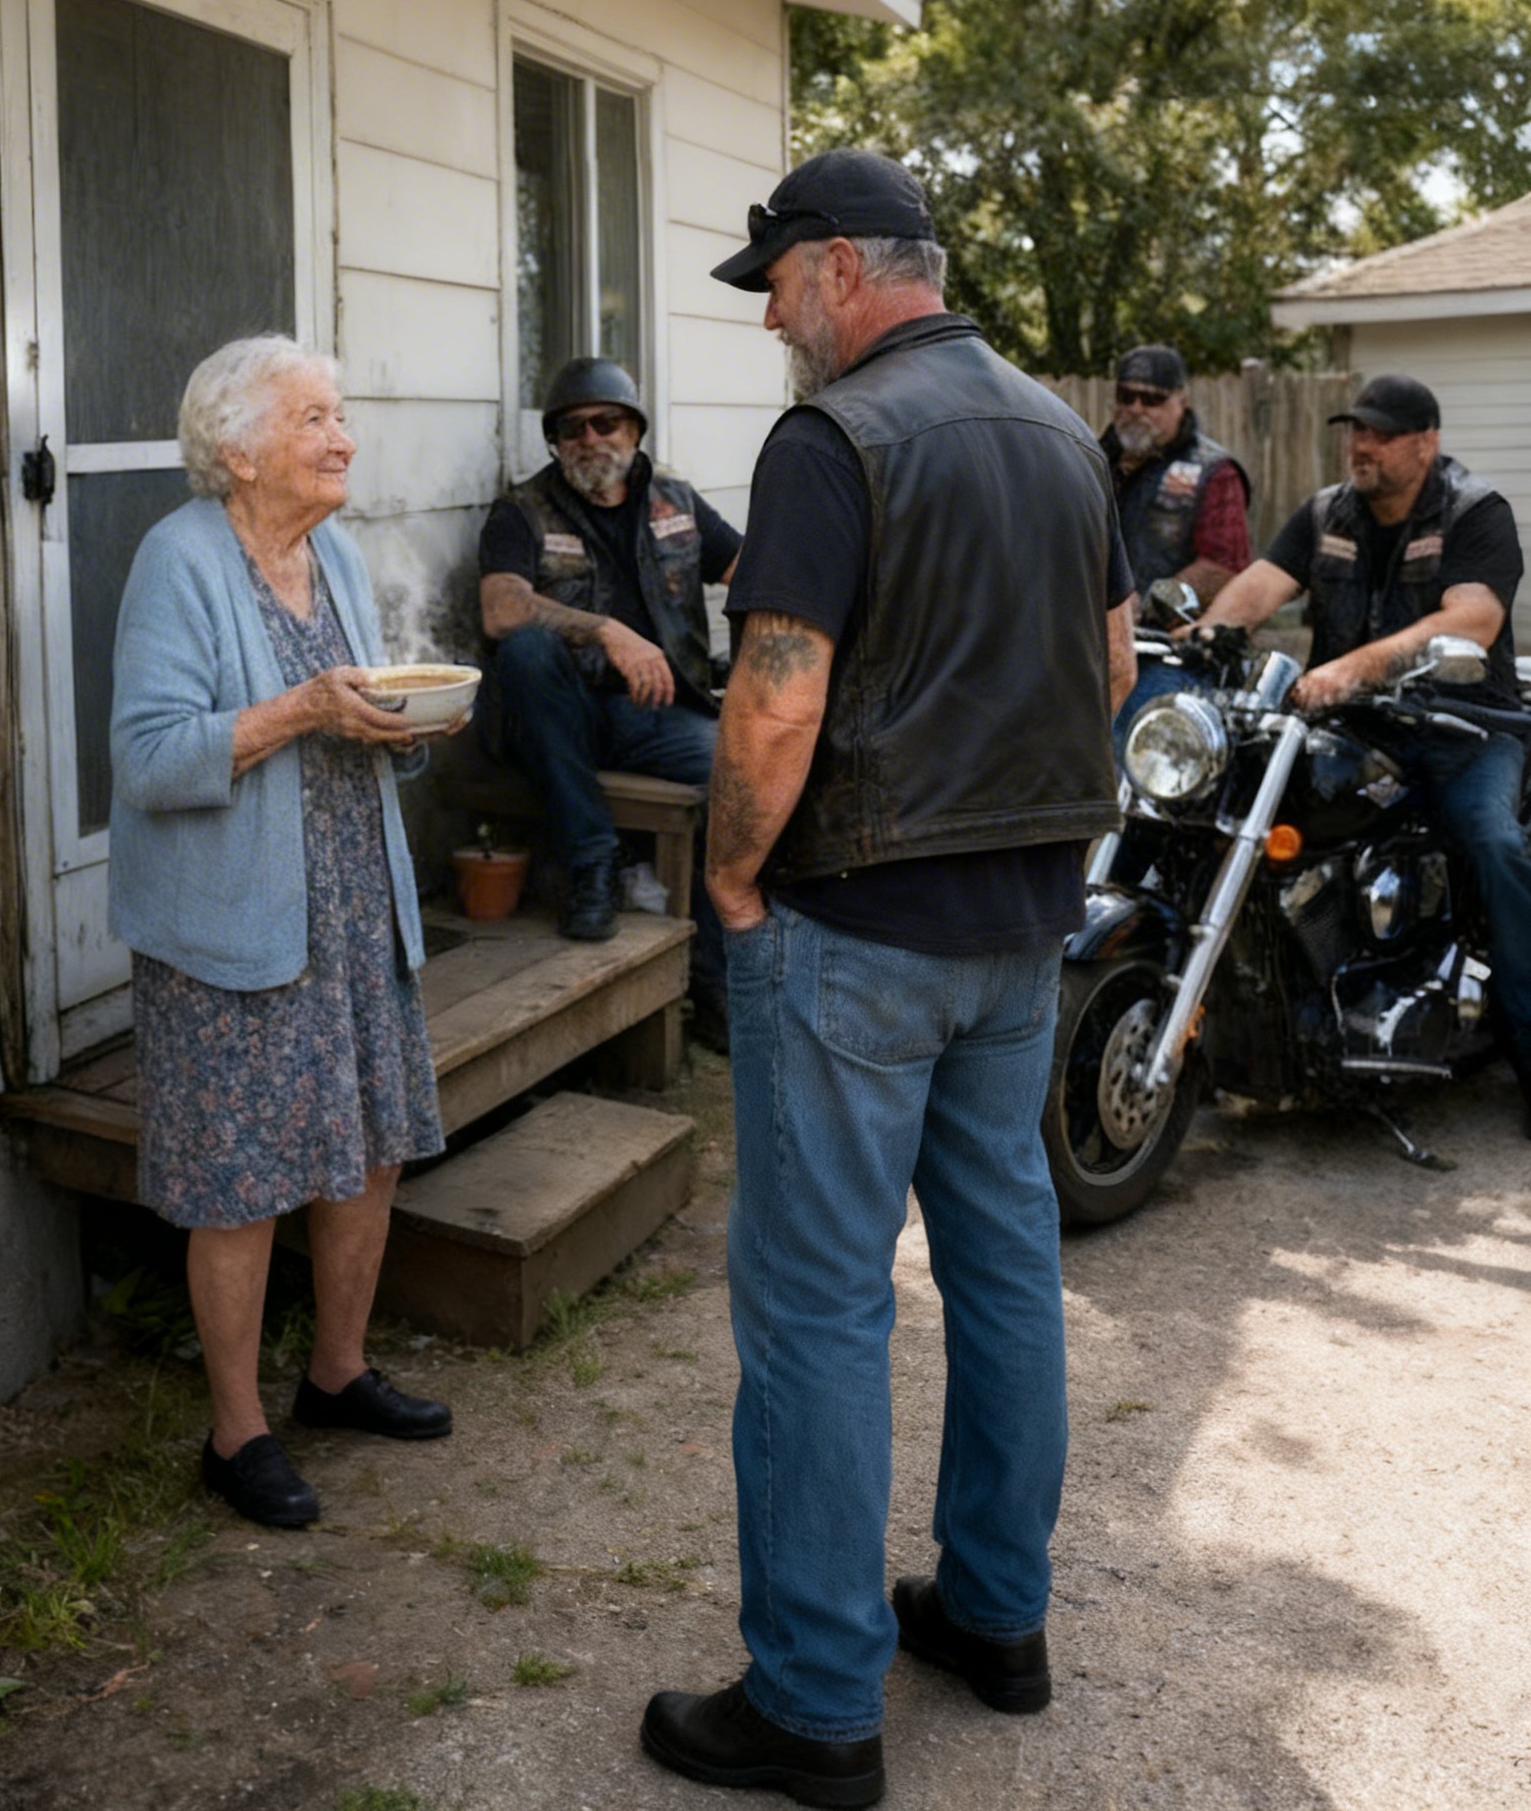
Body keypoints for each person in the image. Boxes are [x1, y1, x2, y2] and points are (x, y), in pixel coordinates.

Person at [640, 150, 1135, 1807]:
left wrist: (729, 876)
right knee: (1001, 1268)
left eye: (777, 283)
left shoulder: (830, 439)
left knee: (817, 1301)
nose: (769, 317)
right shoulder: (1062, 432)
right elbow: (1111, 661)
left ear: (846, 266)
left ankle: (812, 1701)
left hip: (854, 924)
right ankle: (995, 1618)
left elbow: (776, 699)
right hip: (1020, 925)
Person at [109, 335, 456, 1533]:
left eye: (339, 416)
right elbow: (149, 759)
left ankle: (337, 1374)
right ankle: (235, 1433)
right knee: (241, 1181)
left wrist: (403, 726)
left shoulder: (333, 553)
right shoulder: (180, 560)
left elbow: (354, 711)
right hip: (233, 923)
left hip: (354, 902)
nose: (341, 438)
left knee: (371, 1146)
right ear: (240, 449)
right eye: (313, 419)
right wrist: (304, 708)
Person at [1195, 372, 1531, 1133]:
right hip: (1354, 729)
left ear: (1426, 443)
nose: (1362, 446)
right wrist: (1206, 634)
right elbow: (1259, 586)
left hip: (1463, 728)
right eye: (1356, 431)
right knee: (1230, 813)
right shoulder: (1327, 513)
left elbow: (1474, 619)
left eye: (1380, 434)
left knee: (1494, 845)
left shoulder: (1474, 511)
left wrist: (1354, 666)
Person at [477, 356, 741, 1007]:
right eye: (573, 428)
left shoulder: (675, 502)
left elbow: (755, 571)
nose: (590, 438)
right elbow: (501, 608)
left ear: (635, 431)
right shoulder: (523, 510)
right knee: (525, 649)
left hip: (661, 711)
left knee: (739, 773)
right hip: (559, 718)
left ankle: (716, 983)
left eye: (606, 423)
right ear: (554, 441)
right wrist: (606, 631)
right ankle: (592, 867)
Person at [1105, 344, 1251, 738]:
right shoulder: (1093, 459)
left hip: (1169, 654)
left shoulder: (1213, 471)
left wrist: (1148, 600)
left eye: (1152, 399)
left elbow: (1225, 567)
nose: (1136, 408)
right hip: (1091, 646)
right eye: (1126, 396)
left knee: (1131, 749)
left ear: (1180, 403)